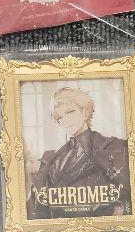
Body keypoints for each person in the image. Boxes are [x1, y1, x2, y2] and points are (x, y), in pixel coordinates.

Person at [26, 87, 129, 218]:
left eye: (70, 112)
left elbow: (129, 197)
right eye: (60, 117)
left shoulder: (114, 147)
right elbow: (38, 208)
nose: (65, 120)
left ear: (85, 112)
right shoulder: (52, 159)